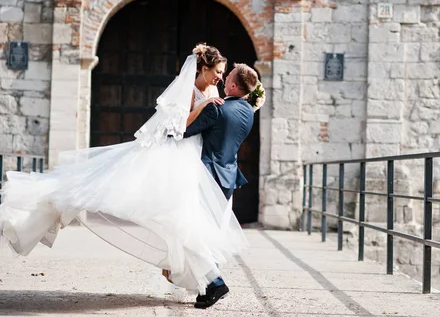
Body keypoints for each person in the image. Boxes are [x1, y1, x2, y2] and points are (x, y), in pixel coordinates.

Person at [0, 44, 259, 304]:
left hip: (195, 162)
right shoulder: (189, 91)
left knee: (183, 221)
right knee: (174, 218)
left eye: (223, 73)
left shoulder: (215, 92)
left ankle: (203, 280)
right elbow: (175, 127)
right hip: (178, 157)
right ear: (202, 69)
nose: (220, 77)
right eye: (217, 71)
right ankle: (209, 280)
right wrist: (203, 108)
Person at [183, 63, 259, 309]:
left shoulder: (217, 109)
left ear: (234, 86)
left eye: (228, 77)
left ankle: (215, 283)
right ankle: (205, 287)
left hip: (206, 176)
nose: (224, 79)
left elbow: (183, 131)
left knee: (190, 230)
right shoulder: (248, 111)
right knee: (207, 232)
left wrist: (203, 104)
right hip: (228, 177)